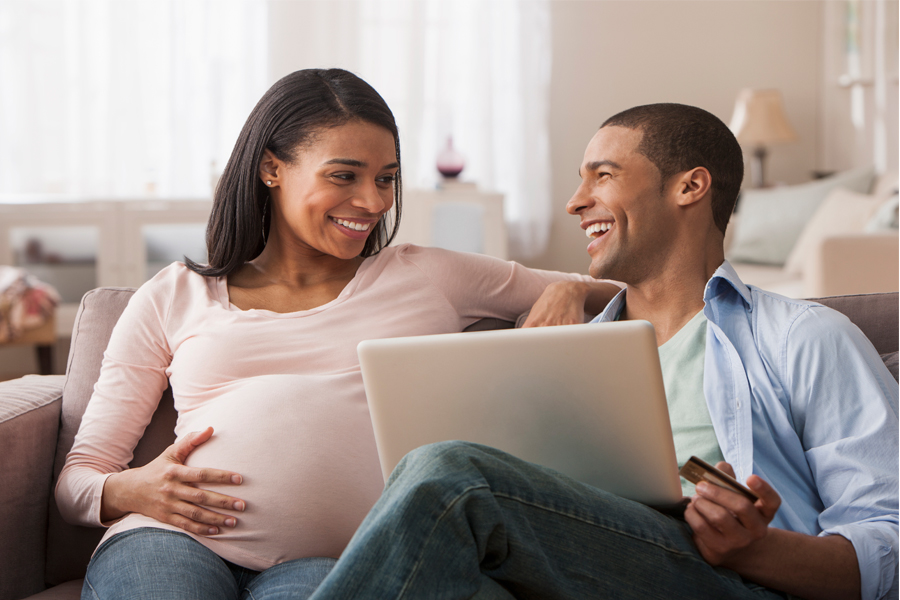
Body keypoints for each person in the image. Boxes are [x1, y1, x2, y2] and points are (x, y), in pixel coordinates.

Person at [56, 68, 619, 600]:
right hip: (168, 539)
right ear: (271, 168)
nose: (373, 202)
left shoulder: (428, 275)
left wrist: (571, 288)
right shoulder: (175, 294)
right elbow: (78, 479)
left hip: (337, 559)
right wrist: (130, 491)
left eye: (386, 179)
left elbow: (624, 289)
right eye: (344, 175)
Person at [305, 104, 899, 600]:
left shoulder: (805, 338)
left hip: (726, 580)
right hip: (570, 571)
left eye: (602, 176)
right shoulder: (572, 352)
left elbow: (888, 549)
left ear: (690, 186)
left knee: (451, 472)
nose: (575, 201)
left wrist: (756, 548)